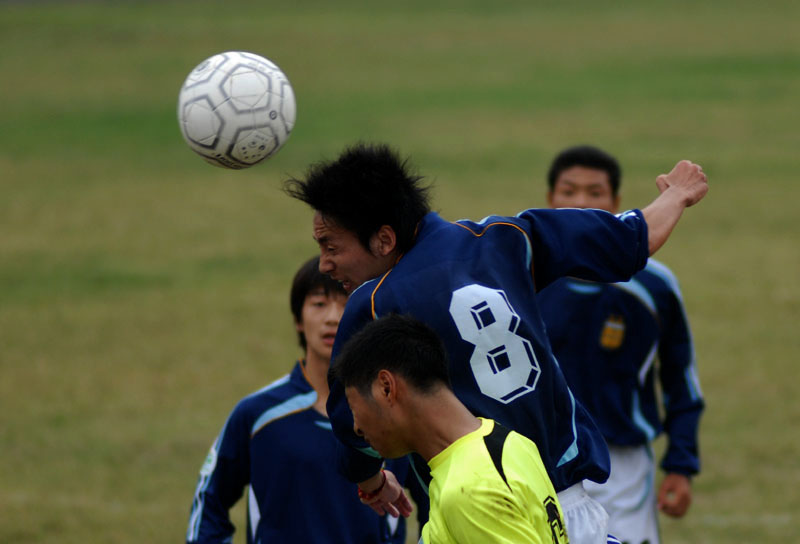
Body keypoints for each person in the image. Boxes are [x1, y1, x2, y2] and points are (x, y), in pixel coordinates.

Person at [284, 142, 708, 544]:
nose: (324, 264)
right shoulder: (508, 237)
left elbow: (353, 423)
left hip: (472, 505)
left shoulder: (373, 304)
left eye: (330, 245)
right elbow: (632, 239)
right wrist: (677, 195)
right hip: (567, 507)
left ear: (384, 239)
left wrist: (371, 481)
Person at [538, 145, 704, 544]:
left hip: (623, 467)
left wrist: (681, 464)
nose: (580, 202)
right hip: (538, 462)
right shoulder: (521, 279)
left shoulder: (654, 286)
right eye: (569, 191)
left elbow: (681, 381)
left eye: (594, 193)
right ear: (549, 200)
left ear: (615, 202)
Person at [185, 256, 410, 544]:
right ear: (298, 320)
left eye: (345, 302)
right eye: (319, 304)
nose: (332, 317)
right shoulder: (258, 415)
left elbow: (437, 493)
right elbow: (209, 500)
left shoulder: (399, 415)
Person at [332, 313, 569, 544]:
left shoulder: (470, 491)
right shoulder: (511, 442)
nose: (356, 427)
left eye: (354, 408)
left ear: (386, 388)